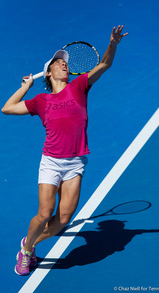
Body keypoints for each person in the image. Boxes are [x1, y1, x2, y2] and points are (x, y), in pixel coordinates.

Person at [1, 25, 128, 276]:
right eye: (59, 62)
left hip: (75, 163)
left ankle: (29, 244)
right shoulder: (41, 101)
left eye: (65, 63)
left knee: (63, 219)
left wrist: (112, 44)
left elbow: (104, 65)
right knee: (45, 213)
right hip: (51, 162)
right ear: (49, 72)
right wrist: (26, 87)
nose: (64, 64)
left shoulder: (79, 85)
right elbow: (7, 108)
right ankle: (27, 255)